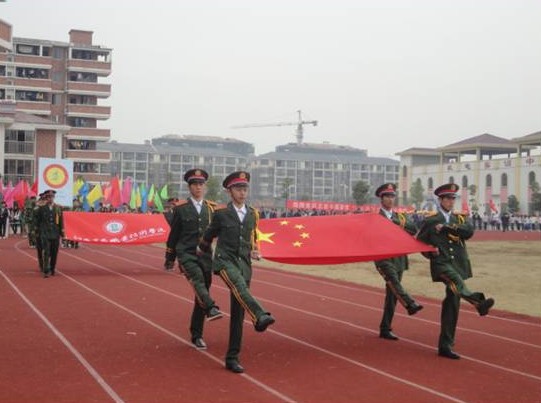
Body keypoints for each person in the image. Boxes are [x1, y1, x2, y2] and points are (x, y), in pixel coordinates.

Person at [198, 171, 275, 374]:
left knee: (238, 312)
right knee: (240, 287)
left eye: (244, 189)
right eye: (238, 189)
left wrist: (255, 249)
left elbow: (253, 236)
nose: (242, 192)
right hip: (225, 262)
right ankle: (259, 315)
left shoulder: (253, 213)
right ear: (229, 191)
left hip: (244, 265)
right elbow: (208, 235)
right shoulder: (221, 213)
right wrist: (201, 252)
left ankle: (232, 358)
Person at [416, 183, 495, 360]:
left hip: (458, 265)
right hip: (441, 264)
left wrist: (447, 227)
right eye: (448, 199)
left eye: (453, 199)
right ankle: (478, 302)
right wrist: (430, 251)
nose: (451, 202)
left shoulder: (459, 219)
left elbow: (469, 232)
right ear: (440, 200)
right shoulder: (431, 220)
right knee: (455, 281)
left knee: (452, 303)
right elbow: (420, 242)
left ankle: (446, 345)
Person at [164, 169, 223, 350]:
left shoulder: (212, 209)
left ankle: (196, 334)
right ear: (189, 187)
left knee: (201, 293)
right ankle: (211, 307)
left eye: (201, 184)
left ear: (204, 187)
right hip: (186, 254)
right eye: (195, 184)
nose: (198, 187)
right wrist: (170, 257)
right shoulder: (180, 208)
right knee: (197, 280)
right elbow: (174, 235)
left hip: (205, 256)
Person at [373, 183, 423, 341]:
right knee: (394, 283)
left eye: (392, 196)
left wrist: (393, 222)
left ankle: (385, 328)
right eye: (387, 196)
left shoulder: (400, 217)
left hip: (399, 258)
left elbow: (413, 229)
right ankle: (410, 303)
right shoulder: (375, 218)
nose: (390, 199)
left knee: (392, 294)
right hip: (383, 257)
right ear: (381, 199)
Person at [34, 190, 64, 278]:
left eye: (51, 197)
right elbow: (38, 221)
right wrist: (37, 231)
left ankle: (52, 268)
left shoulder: (58, 208)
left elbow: (61, 221)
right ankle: (46, 270)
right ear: (46, 198)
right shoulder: (42, 208)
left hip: (55, 233)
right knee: (46, 252)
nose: (50, 199)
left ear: (53, 198)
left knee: (54, 252)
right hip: (45, 233)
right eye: (48, 197)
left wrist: (62, 232)